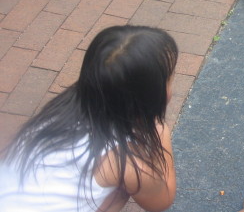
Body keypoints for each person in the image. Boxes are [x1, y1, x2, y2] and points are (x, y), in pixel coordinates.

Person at [0, 25, 178, 212]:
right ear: (152, 95)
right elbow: (162, 200)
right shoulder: (120, 160)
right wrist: (159, 129)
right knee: (121, 191)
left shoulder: (58, 111)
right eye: (169, 79)